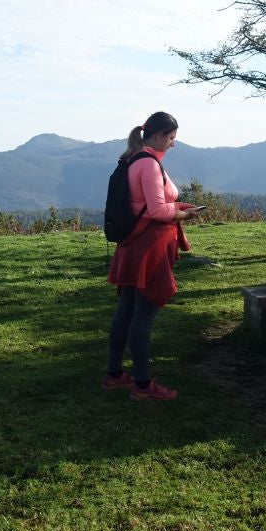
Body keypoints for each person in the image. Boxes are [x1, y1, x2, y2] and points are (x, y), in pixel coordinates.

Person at [103, 111, 201, 401]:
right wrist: (182, 213)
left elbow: (146, 203)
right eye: (171, 138)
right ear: (159, 135)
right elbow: (158, 211)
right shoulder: (148, 164)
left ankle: (115, 374)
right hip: (149, 247)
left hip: (134, 245)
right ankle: (143, 385)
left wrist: (177, 205)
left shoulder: (134, 159)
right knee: (142, 316)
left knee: (127, 311)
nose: (173, 144)